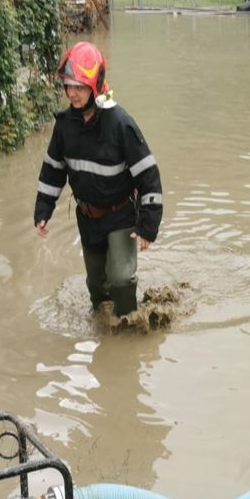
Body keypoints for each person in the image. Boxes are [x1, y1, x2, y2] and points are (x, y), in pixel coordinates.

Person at [34, 41, 163, 316]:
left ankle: (130, 328)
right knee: (96, 286)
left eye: (79, 87)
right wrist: (43, 210)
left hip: (120, 215)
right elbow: (53, 170)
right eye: (68, 86)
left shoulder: (120, 123)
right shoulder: (65, 126)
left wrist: (148, 224)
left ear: (95, 87)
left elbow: (148, 173)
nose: (72, 93)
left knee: (121, 279)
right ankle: (104, 334)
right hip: (87, 217)